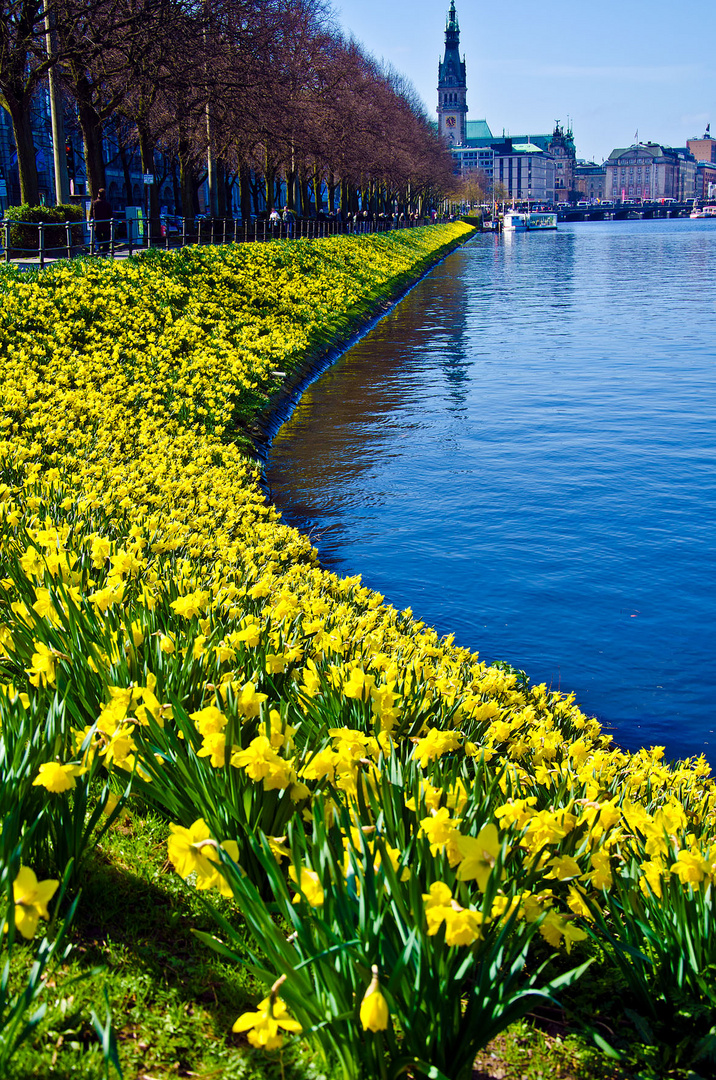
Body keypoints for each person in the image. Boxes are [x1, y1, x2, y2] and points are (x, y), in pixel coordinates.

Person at [89, 187, 113, 255]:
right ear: (104, 195)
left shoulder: (94, 203)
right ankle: (104, 252)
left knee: (97, 238)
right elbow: (110, 214)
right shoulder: (107, 204)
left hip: (97, 224)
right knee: (106, 239)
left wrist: (90, 222)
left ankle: (98, 249)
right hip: (106, 225)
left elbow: (91, 214)